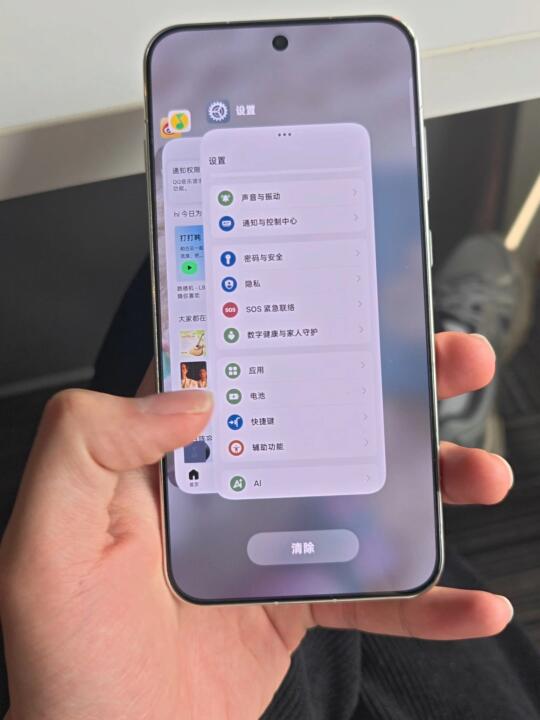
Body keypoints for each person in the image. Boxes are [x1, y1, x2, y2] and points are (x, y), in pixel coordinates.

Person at [2, 330, 536, 720]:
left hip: (236, 597)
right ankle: (413, 388)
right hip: (275, 588)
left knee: (170, 349)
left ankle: (407, 390)